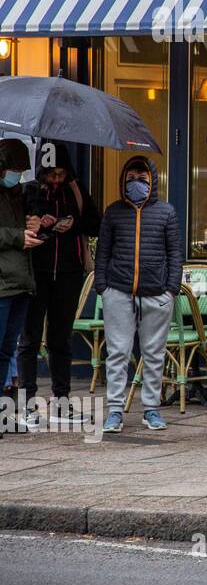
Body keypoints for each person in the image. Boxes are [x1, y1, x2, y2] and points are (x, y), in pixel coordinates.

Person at [94, 156, 181, 433]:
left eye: (142, 179)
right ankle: (115, 411)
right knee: (117, 353)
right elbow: (103, 251)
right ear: (122, 180)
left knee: (154, 354)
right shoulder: (113, 212)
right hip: (118, 291)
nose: (136, 184)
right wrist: (103, 287)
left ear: (152, 182)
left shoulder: (166, 212)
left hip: (156, 294)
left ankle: (151, 409)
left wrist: (170, 289)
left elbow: (175, 253)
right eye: (131, 179)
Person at [17, 142, 100, 426]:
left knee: (60, 339)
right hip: (35, 271)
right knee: (29, 339)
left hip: (68, 272)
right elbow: (17, 226)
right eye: (51, 174)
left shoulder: (75, 192)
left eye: (61, 174)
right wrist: (37, 223)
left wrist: (72, 223)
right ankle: (26, 405)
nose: (56, 179)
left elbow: (95, 222)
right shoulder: (27, 191)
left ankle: (61, 403)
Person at [0, 139, 40, 437]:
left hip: (20, 281)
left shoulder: (17, 195)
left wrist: (34, 223)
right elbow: (10, 235)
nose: (18, 175)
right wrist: (17, 236)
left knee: (6, 351)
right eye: (14, 169)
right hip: (3, 281)